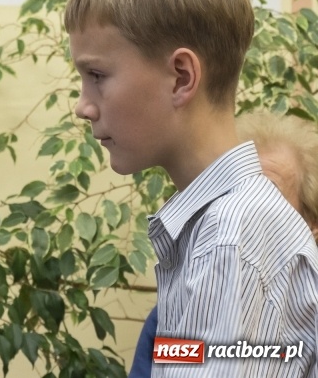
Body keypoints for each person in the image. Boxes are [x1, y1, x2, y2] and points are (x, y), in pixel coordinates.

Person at [65, 0, 318, 377]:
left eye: (97, 75)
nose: (83, 105)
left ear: (182, 77)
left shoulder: (231, 238)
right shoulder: (218, 228)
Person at [128, 111, 318, 377]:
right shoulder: (172, 315)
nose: (239, 213)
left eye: (267, 197)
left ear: (311, 226)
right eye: (232, 196)